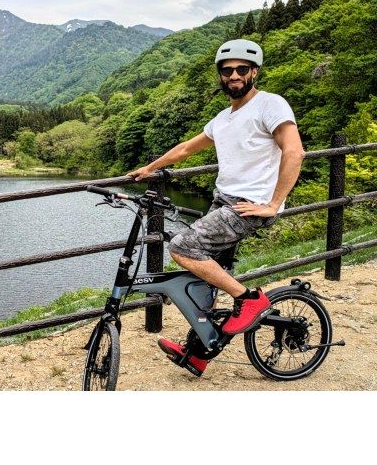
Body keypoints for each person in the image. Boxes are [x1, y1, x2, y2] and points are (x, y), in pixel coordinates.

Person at [126, 39, 305, 376]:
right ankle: (199, 352)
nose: (234, 75)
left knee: (182, 246)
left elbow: (294, 151)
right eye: (227, 70)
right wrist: (150, 168)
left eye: (241, 69)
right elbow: (184, 149)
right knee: (204, 278)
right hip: (221, 202)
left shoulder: (270, 105)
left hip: (247, 207)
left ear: (254, 72)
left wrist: (274, 203)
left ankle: (249, 299)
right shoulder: (223, 118)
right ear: (221, 76)